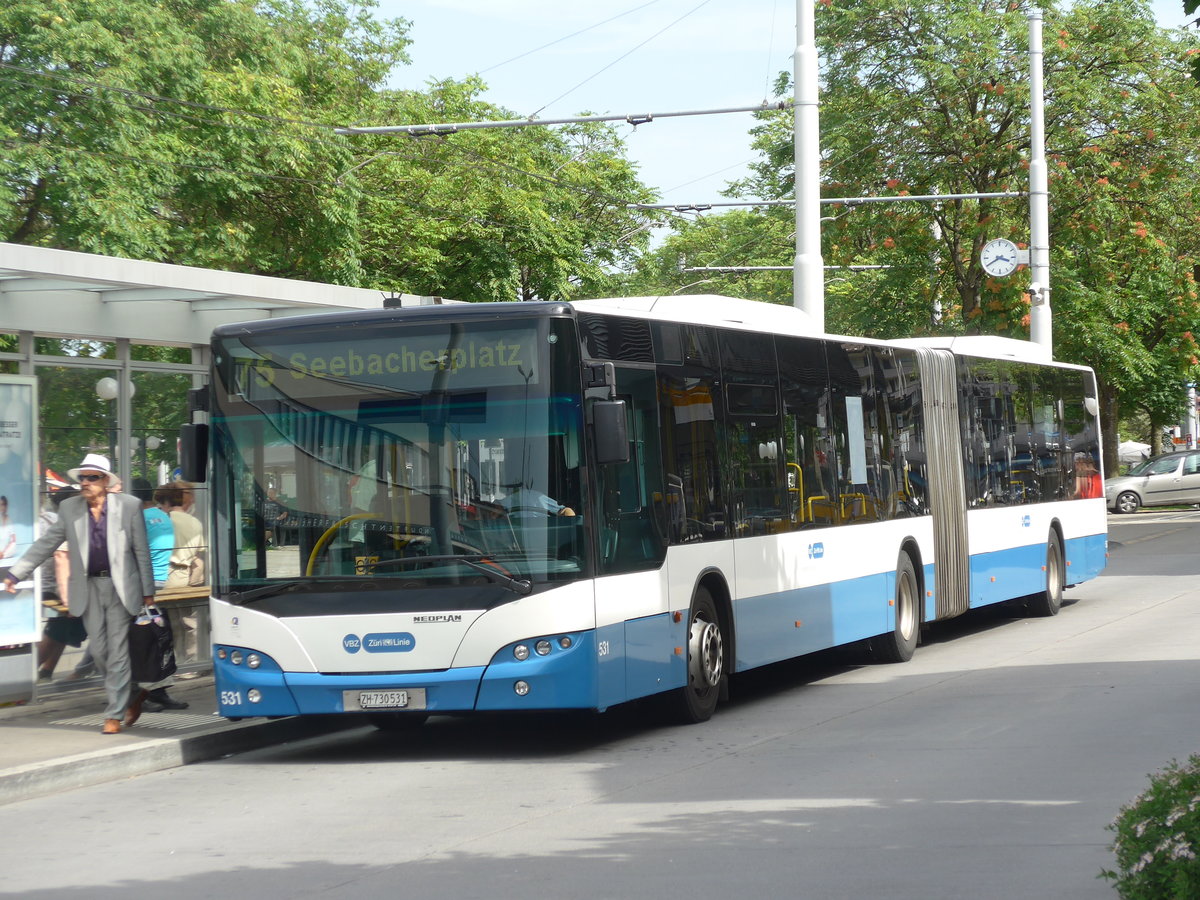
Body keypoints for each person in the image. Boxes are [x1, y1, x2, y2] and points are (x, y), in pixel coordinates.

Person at [3, 454, 155, 734]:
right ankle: (132, 692)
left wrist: (148, 591)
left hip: (122, 587)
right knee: (98, 651)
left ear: (106, 481)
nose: (84, 482)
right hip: (88, 588)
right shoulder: (71, 508)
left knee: (118, 649)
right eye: (82, 477)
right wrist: (16, 573)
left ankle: (114, 713)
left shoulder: (129, 506)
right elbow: (46, 543)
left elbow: (141, 551)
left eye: (92, 477)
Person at [130, 478, 188, 711]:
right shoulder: (163, 517)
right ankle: (158, 691)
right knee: (157, 639)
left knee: (141, 641)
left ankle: (141, 693)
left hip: (143, 585)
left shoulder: (139, 519)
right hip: (161, 583)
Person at [0, 494, 16, 559]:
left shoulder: (9, 521)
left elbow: (13, 541)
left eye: (2, 504)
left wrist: (3, 554)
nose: (1, 507)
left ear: (5, 506)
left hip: (5, 557)